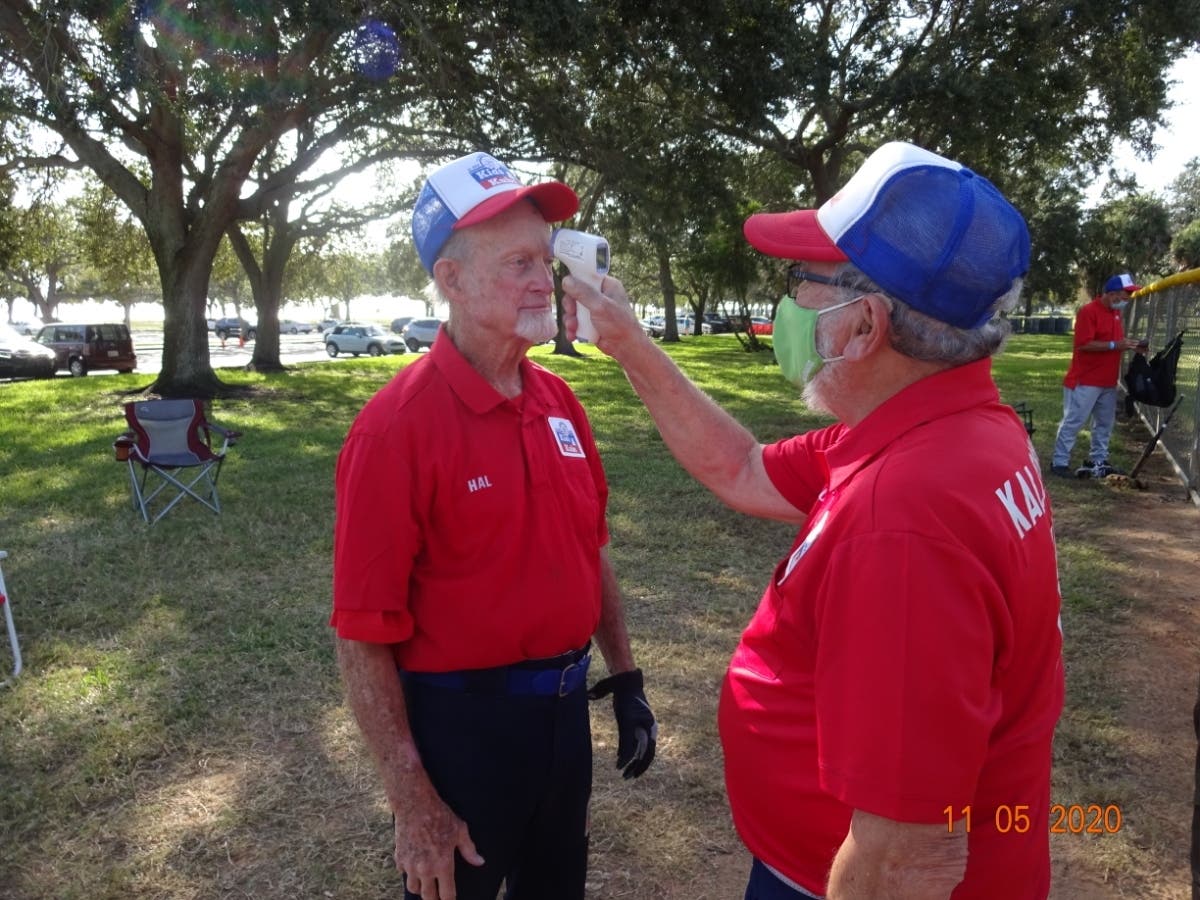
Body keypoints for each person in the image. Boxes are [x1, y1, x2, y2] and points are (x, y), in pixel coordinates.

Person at [563, 141, 1064, 899]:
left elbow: (906, 858)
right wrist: (629, 342)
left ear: (863, 325)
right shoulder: (945, 428)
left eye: (800, 281)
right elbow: (742, 468)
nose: (788, 307)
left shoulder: (904, 515)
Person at [331, 152, 656, 900]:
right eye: (518, 263)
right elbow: (361, 635)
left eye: (545, 259)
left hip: (564, 719)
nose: (545, 280)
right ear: (452, 280)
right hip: (462, 734)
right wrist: (413, 802)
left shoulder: (560, 402)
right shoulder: (395, 430)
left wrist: (625, 675)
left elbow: (590, 549)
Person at [1050, 273, 1145, 478]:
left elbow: (1115, 343)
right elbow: (1083, 344)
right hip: (1085, 380)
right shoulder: (1088, 311)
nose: (1128, 298)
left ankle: (1098, 460)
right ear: (1112, 294)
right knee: (1074, 422)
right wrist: (1114, 345)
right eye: (1125, 294)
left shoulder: (1115, 313)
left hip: (1107, 381)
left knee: (1104, 424)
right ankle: (1059, 462)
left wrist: (1130, 346)